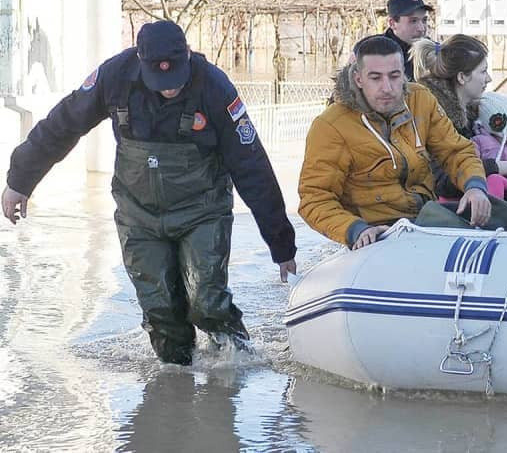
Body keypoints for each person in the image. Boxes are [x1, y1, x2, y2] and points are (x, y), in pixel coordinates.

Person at [1, 20, 297, 366]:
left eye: (175, 80)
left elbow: (251, 165)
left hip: (202, 212)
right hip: (138, 215)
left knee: (207, 302)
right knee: (162, 313)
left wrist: (281, 244)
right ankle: (174, 384)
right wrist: (20, 180)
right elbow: (62, 125)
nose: (169, 89)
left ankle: (238, 365)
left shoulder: (214, 86)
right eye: (160, 81)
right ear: (141, 61)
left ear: (188, 55)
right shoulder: (114, 76)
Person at [298, 35, 491, 249]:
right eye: (375, 78)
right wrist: (354, 229)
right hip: (376, 231)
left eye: (394, 76)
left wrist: (474, 186)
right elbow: (315, 198)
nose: (387, 87)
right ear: (358, 79)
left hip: (425, 217)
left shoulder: (420, 99)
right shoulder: (331, 126)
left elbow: (456, 151)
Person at [414, 35, 507, 198]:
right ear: (462, 77)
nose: (489, 79)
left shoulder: (478, 113)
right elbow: (440, 180)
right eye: (483, 71)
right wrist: (501, 167)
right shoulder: (433, 115)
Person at [385, 0, 433, 80]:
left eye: (424, 20)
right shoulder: (376, 52)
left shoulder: (433, 51)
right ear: (392, 23)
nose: (421, 28)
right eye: (413, 21)